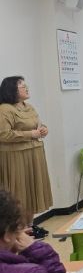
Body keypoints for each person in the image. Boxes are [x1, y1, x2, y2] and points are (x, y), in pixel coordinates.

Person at [0, 76, 52, 222]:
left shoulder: (29, 107)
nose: (27, 88)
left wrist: (44, 129)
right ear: (12, 90)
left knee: (31, 192)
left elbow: (37, 125)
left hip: (34, 153)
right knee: (19, 192)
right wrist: (31, 134)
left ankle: (29, 225)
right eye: (23, 86)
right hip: (16, 157)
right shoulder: (4, 109)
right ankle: (17, 227)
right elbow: (3, 134)